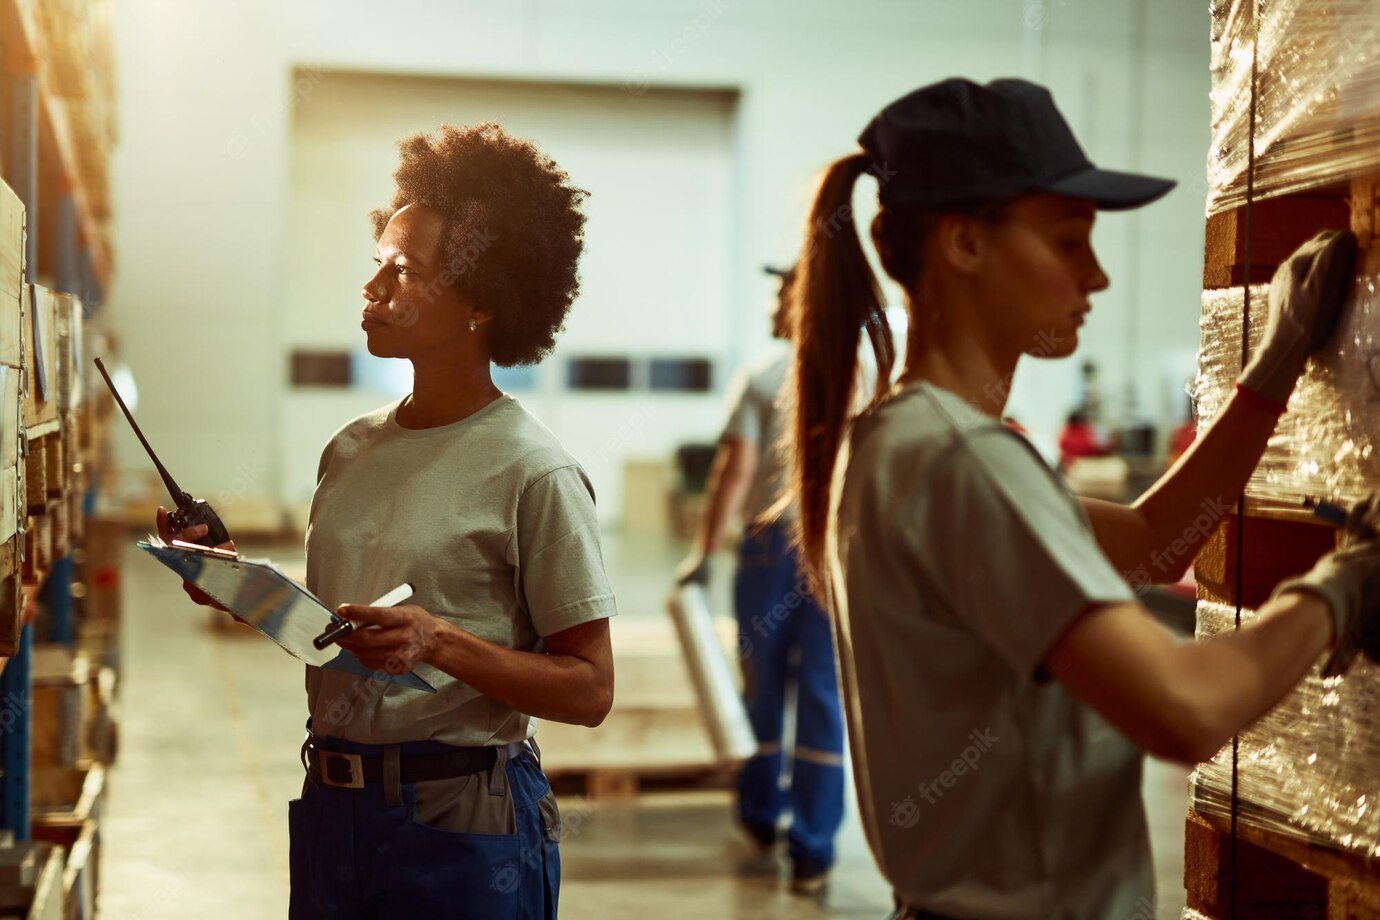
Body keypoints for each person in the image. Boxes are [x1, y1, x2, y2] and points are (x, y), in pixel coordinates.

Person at [784, 77, 1380, 918]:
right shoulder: (958, 461)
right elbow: (1184, 710)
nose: (1095, 275)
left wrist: (1273, 365)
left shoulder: (899, 441)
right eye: (1068, 242)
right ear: (964, 243)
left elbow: (1153, 543)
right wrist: (1345, 585)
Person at [159, 123, 616, 919]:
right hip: (334, 807)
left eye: (403, 272)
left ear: (480, 302)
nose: (373, 290)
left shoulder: (532, 472)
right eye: (376, 266)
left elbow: (590, 689)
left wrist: (438, 641)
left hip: (461, 826)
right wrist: (234, 581)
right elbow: (335, 629)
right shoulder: (351, 451)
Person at [676, 264, 845, 895]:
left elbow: (733, 468)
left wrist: (702, 550)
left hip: (772, 548)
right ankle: (814, 848)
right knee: (824, 695)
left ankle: (759, 816)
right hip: (832, 551)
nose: (776, 305)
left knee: (763, 683)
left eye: (783, 295)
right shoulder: (861, 377)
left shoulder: (763, 376)